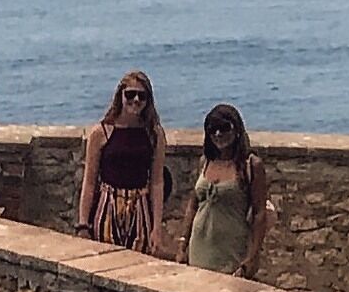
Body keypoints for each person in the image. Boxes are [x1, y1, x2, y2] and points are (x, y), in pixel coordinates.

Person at [76, 71, 169, 253]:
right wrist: (83, 224)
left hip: (140, 208)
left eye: (141, 96)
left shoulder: (154, 134)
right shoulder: (101, 133)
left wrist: (157, 227)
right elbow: (89, 181)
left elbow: (157, 182)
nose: (135, 100)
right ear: (120, 95)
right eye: (130, 94)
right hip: (108, 207)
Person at [185, 102, 274, 280]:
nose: (218, 134)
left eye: (224, 128)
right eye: (213, 129)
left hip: (231, 249)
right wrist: (182, 243)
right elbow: (193, 205)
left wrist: (253, 256)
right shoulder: (205, 162)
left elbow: (259, 213)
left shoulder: (251, 165)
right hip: (199, 246)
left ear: (236, 129)